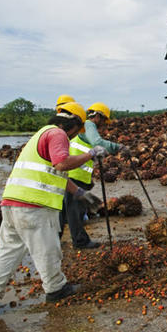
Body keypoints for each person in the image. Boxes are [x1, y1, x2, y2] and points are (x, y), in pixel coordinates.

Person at [0, 102, 108, 316]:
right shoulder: (58, 134)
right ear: (73, 124)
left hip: (11, 203)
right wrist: (90, 154)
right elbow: (62, 164)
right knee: (47, 249)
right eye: (77, 130)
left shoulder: (40, 134)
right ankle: (56, 289)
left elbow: (55, 173)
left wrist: (80, 194)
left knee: (7, 250)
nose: (75, 136)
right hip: (34, 206)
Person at [60, 102, 129, 249]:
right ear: (97, 116)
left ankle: (55, 241)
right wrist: (118, 147)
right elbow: (97, 142)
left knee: (64, 211)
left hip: (73, 173)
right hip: (75, 174)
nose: (104, 125)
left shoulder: (81, 128)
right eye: (104, 121)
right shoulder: (88, 125)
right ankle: (80, 242)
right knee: (75, 211)